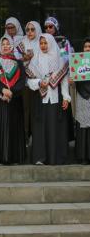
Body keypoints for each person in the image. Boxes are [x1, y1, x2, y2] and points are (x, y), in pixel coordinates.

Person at [27, 33, 71, 165]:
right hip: (41, 99)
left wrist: (66, 98)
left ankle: (55, 158)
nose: (43, 46)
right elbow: (29, 81)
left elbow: (63, 81)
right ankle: (40, 158)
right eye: (41, 43)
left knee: (55, 128)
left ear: (51, 43)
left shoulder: (60, 60)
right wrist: (40, 82)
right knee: (40, 129)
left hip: (56, 99)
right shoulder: (35, 60)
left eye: (45, 43)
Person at [0, 36, 27, 164]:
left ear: (11, 47)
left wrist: (11, 92)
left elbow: (22, 81)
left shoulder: (18, 62)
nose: (5, 46)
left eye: (7, 44)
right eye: (3, 44)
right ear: (0, 47)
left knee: (14, 128)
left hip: (14, 100)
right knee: (0, 128)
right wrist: (3, 90)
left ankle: (14, 157)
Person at [21, 21, 43, 147]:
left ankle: (39, 137)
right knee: (26, 110)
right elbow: (17, 64)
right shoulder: (22, 44)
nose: (29, 32)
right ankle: (26, 138)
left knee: (39, 111)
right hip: (26, 83)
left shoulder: (43, 42)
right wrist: (24, 60)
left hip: (42, 83)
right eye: (27, 29)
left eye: (32, 29)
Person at [72, 38, 90, 164]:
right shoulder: (77, 62)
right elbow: (74, 82)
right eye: (86, 47)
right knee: (82, 126)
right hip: (81, 96)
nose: (88, 49)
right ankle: (83, 157)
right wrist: (72, 81)